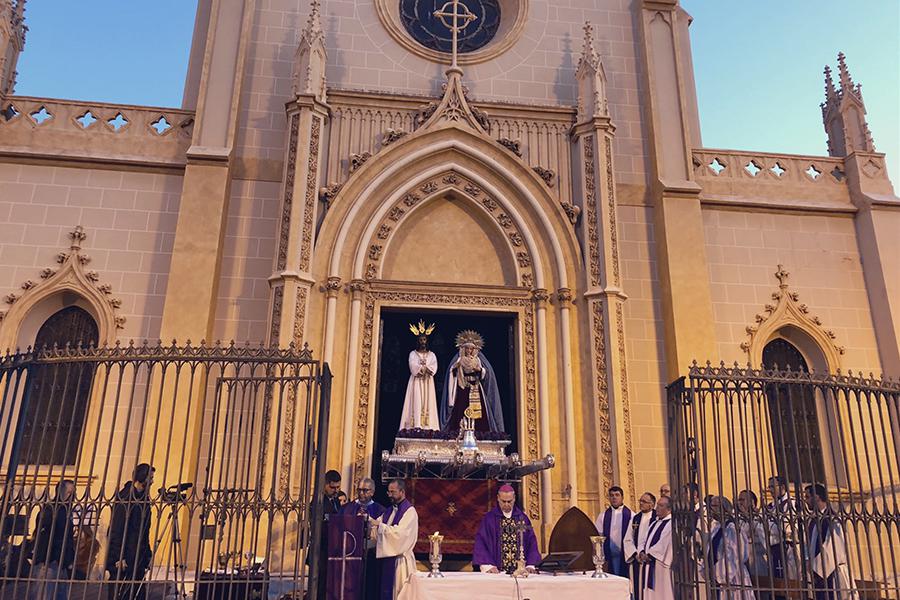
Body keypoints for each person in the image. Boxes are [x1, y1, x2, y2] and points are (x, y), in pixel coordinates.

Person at [440, 330, 504, 433]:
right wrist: (455, 368)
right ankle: (460, 431)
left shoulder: (478, 360)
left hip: (476, 388)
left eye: (471, 348)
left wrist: (480, 370)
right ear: (463, 349)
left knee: (479, 414)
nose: (469, 350)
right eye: (467, 348)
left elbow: (486, 373)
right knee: (461, 410)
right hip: (462, 388)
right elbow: (451, 372)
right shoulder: (459, 359)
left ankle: (479, 433)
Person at [106, 463, 154, 600]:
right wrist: (118, 556)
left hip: (138, 557)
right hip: (124, 558)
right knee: (121, 593)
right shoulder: (125, 497)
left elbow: (144, 532)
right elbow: (116, 530)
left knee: (138, 594)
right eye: (149, 478)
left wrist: (148, 554)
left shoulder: (143, 499)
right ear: (141, 477)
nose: (152, 481)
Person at [472, 484, 541, 573]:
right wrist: (488, 566)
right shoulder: (489, 519)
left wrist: (530, 565)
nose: (506, 504)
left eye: (509, 501)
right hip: (497, 572)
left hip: (520, 573)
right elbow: (481, 542)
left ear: (514, 498)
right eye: (503, 501)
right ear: (498, 498)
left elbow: (531, 541)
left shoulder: (522, 518)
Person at [803, 484, 856, 600]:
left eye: (807, 497)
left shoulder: (832, 519)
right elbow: (808, 544)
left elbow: (834, 547)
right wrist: (808, 561)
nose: (805, 501)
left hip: (832, 574)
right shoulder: (812, 520)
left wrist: (816, 569)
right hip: (817, 574)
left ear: (816, 497)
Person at [369, 479, 417, 600]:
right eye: (388, 492)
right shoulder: (389, 511)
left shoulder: (409, 512)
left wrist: (379, 526)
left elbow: (400, 534)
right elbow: (376, 529)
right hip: (387, 560)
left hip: (400, 562)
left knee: (398, 594)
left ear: (402, 492)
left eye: (393, 492)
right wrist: (368, 523)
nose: (390, 495)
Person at [339, 478, 385, 600]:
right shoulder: (347, 508)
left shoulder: (380, 510)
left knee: (368, 587)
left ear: (373, 492)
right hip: (350, 555)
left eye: (365, 490)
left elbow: (383, 533)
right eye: (359, 490)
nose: (361, 493)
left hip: (371, 556)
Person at [30, 480, 76, 600]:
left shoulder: (67, 510)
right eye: (69, 492)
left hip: (62, 562)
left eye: (73, 493)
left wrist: (69, 559)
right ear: (60, 492)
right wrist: (49, 558)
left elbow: (68, 538)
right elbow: (43, 535)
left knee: (60, 595)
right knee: (44, 594)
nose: (71, 496)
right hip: (50, 562)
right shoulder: (50, 510)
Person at [707, 496, 754, 600]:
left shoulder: (732, 528)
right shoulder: (717, 527)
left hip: (732, 577)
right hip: (718, 576)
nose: (711, 510)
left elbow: (734, 555)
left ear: (723, 508)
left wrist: (719, 574)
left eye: (714, 506)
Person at [399, 322, 439, 431]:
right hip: (416, 381)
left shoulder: (431, 355)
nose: (423, 342)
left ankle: (429, 427)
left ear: (427, 341)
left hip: (428, 381)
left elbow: (434, 366)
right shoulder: (413, 354)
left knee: (428, 403)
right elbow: (412, 365)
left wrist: (427, 369)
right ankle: (415, 425)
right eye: (421, 340)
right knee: (415, 400)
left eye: (424, 339)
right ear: (418, 341)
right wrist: (421, 369)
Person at [314, 470, 343, 600]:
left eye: (338, 487)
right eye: (333, 487)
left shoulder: (336, 501)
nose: (336, 490)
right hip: (321, 548)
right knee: (321, 583)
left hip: (334, 548)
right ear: (325, 484)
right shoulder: (318, 500)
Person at [765, 476, 799, 586]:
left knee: (789, 580)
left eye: (772, 487)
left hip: (787, 547)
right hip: (774, 547)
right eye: (769, 487)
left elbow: (788, 527)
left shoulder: (791, 503)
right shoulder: (771, 506)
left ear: (783, 487)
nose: (770, 490)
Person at [639, 495, 673, 600]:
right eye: (657, 505)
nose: (657, 507)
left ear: (669, 509)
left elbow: (663, 543)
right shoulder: (654, 523)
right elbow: (644, 540)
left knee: (661, 593)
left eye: (661, 505)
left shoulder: (671, 523)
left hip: (659, 565)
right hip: (648, 563)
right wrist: (641, 551)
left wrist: (649, 555)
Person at [624, 492, 657, 600]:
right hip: (637, 560)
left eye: (644, 502)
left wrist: (648, 554)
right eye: (640, 501)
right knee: (638, 588)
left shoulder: (657, 518)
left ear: (652, 504)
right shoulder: (635, 518)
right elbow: (628, 539)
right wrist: (635, 554)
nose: (641, 503)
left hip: (651, 559)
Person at [595, 486, 632, 577]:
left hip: (625, 554)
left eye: (617, 495)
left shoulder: (631, 515)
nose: (614, 497)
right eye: (611, 495)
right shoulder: (603, 515)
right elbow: (598, 536)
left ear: (622, 497)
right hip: (609, 554)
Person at [736, 490, 769, 580]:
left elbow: (757, 533)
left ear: (752, 502)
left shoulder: (759, 517)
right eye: (739, 500)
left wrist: (748, 517)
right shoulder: (738, 518)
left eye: (742, 500)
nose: (740, 503)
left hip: (757, 557)